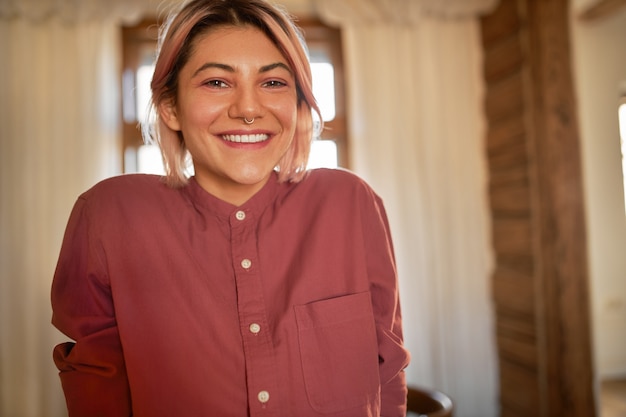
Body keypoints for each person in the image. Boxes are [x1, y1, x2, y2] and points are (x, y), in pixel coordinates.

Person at [51, 0, 410, 415]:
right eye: (217, 83)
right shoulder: (108, 216)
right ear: (170, 107)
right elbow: (96, 386)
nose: (248, 109)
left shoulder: (350, 202)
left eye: (273, 83)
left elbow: (387, 368)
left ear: (297, 105)